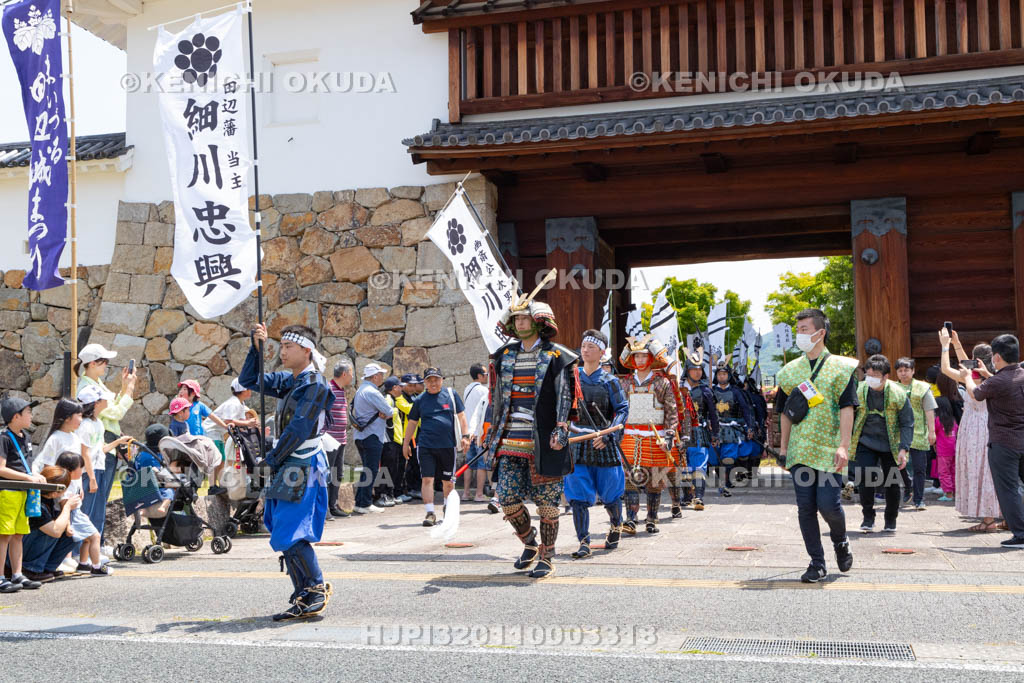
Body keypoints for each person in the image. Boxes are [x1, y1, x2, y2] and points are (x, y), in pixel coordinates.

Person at [240, 322, 336, 621]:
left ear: (307, 350)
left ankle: (315, 589)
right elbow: (249, 380)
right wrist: (256, 349)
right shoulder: (289, 380)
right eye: (280, 346)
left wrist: (271, 459)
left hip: (303, 463)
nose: (282, 351)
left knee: (291, 529)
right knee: (279, 525)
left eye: (288, 346)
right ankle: (303, 594)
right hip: (289, 462)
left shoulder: (315, 385)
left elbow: (299, 427)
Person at [484, 299, 577, 579]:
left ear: (538, 321)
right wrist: (490, 431)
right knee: (508, 497)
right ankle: (530, 544)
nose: (520, 323)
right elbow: (497, 399)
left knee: (547, 503)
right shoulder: (505, 355)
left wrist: (562, 427)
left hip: (544, 438)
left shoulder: (557, 356)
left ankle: (548, 556)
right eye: (516, 319)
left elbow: (564, 394)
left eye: (525, 318)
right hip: (510, 437)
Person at [775, 309, 857, 583]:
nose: (799, 334)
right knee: (805, 507)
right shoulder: (789, 372)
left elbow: (848, 408)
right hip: (800, 450)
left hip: (829, 449)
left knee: (829, 506)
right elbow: (785, 413)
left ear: (820, 332)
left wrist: (844, 445)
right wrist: (784, 449)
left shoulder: (842, 367)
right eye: (797, 329)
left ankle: (841, 540)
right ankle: (817, 562)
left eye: (804, 329)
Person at [562, 329, 628, 559]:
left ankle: (616, 524)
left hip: (604, 441)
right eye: (583, 346)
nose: (585, 350)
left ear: (601, 352)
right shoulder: (571, 378)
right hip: (578, 442)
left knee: (610, 494)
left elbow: (622, 410)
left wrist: (609, 435)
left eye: (590, 347)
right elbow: (561, 408)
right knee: (578, 495)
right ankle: (584, 542)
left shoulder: (610, 381)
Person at [618, 335, 689, 534]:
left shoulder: (662, 383)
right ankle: (631, 519)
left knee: (654, 480)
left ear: (650, 358)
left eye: (643, 356)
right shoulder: (625, 382)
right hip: (631, 436)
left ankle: (652, 518)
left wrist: (669, 435)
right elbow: (621, 409)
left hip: (655, 435)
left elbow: (671, 411)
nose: (640, 360)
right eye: (636, 356)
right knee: (629, 479)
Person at [961, 334, 1024, 549]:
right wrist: (988, 373)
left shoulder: (998, 381)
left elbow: (976, 393)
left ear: (996, 357)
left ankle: (1021, 534)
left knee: (1008, 490)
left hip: (1004, 442)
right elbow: (1001, 383)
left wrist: (968, 376)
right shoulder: (1019, 374)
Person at [939, 327, 1001, 532]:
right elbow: (967, 366)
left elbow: (946, 369)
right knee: (989, 471)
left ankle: (989, 518)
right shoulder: (992, 376)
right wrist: (957, 344)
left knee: (979, 470)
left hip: (974, 427)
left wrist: (945, 346)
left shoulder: (971, 379)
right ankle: (997, 515)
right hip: (989, 424)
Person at [76, 342, 136, 552]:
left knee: (100, 499)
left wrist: (122, 387)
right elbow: (116, 413)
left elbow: (112, 408)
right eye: (104, 363)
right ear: (92, 363)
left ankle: (97, 544)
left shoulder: (96, 383)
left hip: (107, 447)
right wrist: (129, 388)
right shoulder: (86, 388)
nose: (106, 367)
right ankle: (88, 546)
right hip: (98, 450)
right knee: (93, 499)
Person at [850, 354, 913, 533]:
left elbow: (907, 422)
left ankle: (890, 519)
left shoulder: (898, 394)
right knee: (865, 479)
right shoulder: (859, 390)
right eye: (867, 375)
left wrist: (904, 448)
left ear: (886, 376)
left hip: (890, 444)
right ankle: (868, 517)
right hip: (865, 441)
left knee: (892, 482)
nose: (870, 379)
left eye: (875, 376)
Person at [402, 368, 470, 526]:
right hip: (425, 446)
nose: (433, 383)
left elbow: (462, 417)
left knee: (448, 481)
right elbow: (412, 422)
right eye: (429, 380)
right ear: (424, 382)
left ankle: (447, 508)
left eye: (436, 379)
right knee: (427, 479)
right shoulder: (420, 400)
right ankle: (430, 512)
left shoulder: (451, 395)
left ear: (442, 380)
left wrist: (465, 436)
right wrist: (406, 444)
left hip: (447, 446)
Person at [1, 396, 45, 593]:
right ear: (16, 416)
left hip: (22, 491)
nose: (31, 415)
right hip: (8, 492)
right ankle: (1, 577)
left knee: (18, 534)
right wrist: (27, 478)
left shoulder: (25, 437)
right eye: (28, 412)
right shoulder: (3, 438)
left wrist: (34, 475)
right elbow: (1, 468)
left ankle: (17, 574)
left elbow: (26, 465)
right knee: (4, 535)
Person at [53, 452, 111, 576]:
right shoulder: (66, 485)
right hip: (72, 514)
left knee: (87, 539)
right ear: (71, 470)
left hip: (76, 512)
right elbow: (64, 505)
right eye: (81, 468)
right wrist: (68, 525)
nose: (82, 471)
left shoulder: (71, 480)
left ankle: (83, 564)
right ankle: (97, 567)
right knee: (95, 536)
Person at [351, 363, 395, 515]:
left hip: (361, 435)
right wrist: (385, 412)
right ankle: (365, 503)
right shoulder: (372, 392)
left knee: (367, 469)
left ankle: (360, 502)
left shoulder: (361, 390)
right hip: (372, 435)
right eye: (381, 374)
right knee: (371, 469)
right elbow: (389, 411)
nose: (382, 377)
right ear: (375, 376)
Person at [20, 466, 76, 584]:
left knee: (73, 536)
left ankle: (46, 568)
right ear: (56, 491)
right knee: (51, 532)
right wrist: (67, 507)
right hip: (19, 547)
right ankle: (30, 569)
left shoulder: (50, 499)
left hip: (27, 544)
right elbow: (55, 531)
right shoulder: (36, 502)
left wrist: (68, 524)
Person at [894, 357, 937, 510]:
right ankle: (908, 486)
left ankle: (919, 499)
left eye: (906, 370)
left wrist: (932, 431)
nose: (903, 373)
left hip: (919, 432)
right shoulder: (892, 388)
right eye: (900, 370)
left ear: (913, 371)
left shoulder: (923, 387)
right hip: (898, 434)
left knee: (919, 468)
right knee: (900, 465)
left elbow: (929, 410)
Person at [680, 348, 720, 512]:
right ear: (687, 370)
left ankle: (699, 497)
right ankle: (687, 496)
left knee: (699, 464)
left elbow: (713, 414)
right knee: (683, 465)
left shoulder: (705, 391)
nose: (696, 372)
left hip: (699, 430)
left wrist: (715, 433)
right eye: (693, 369)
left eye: (699, 369)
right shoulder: (677, 390)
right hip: (681, 432)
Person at [203, 379, 257, 495]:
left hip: (218, 434)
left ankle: (219, 485)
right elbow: (229, 420)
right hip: (210, 432)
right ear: (243, 390)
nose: (250, 390)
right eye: (248, 388)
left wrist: (251, 424)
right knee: (216, 460)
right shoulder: (233, 403)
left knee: (222, 459)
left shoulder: (241, 404)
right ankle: (211, 486)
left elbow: (240, 421)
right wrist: (247, 423)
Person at [711, 363, 754, 497]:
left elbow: (746, 410)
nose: (721, 376)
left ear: (728, 375)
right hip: (715, 428)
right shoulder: (711, 391)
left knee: (728, 458)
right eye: (719, 374)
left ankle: (726, 483)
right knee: (715, 458)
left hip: (731, 428)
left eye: (724, 374)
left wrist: (750, 426)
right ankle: (722, 482)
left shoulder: (736, 392)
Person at [325, 359, 353, 519]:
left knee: (337, 474)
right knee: (327, 475)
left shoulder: (341, 390)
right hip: (330, 441)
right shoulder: (328, 390)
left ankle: (333, 505)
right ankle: (325, 509)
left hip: (340, 439)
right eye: (350, 374)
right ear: (344, 374)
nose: (352, 377)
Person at [462, 363, 491, 502]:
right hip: (478, 432)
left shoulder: (467, 388)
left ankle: (466, 493)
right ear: (479, 375)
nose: (487, 377)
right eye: (486, 374)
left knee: (468, 463)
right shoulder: (483, 391)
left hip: (468, 431)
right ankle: (479, 494)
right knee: (481, 464)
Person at [376, 376, 404, 508]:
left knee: (393, 469)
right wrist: (395, 410)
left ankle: (389, 494)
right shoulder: (387, 399)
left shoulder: (393, 400)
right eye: (400, 386)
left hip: (395, 440)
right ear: (394, 388)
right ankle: (382, 495)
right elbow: (383, 413)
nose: (402, 388)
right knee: (387, 469)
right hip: (389, 440)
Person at [397, 374, 423, 502]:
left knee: (416, 463)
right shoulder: (399, 397)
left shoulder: (414, 397)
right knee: (407, 464)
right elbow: (408, 409)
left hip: (416, 434)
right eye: (410, 385)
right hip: (405, 435)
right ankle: (409, 488)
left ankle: (415, 488)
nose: (413, 388)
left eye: (414, 385)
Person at [934, 397, 959, 501]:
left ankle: (948, 494)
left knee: (944, 472)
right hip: (953, 450)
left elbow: (933, 434)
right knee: (953, 471)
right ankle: (955, 493)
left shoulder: (937, 421)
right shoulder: (953, 420)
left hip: (943, 451)